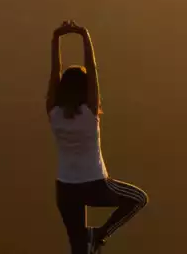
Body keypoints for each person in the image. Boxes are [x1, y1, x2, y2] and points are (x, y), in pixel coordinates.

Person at [47, 21, 148, 254]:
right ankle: (100, 234)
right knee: (139, 199)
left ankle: (91, 239)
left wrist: (56, 39)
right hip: (94, 184)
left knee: (78, 248)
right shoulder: (90, 111)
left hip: (65, 188)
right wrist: (84, 35)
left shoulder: (53, 112)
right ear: (85, 89)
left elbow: (55, 72)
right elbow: (92, 69)